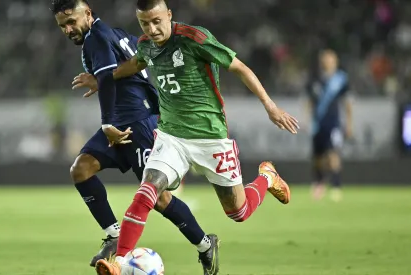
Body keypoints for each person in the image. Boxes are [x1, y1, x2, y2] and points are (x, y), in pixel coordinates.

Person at [89, 0, 299, 274]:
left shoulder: (194, 38)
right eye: (144, 23)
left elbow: (240, 68)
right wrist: (103, 79)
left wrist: (270, 106)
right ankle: (119, 261)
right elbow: (136, 64)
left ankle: (267, 177)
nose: (152, 29)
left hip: (211, 137)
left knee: (239, 212)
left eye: (156, 21)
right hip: (171, 137)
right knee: (147, 191)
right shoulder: (146, 45)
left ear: (169, 15)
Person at [50, 0, 218, 272]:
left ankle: (205, 245)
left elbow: (107, 79)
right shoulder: (117, 34)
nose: (69, 29)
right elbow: (134, 67)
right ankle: (115, 236)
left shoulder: (98, 38)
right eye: (62, 26)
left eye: (72, 22)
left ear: (88, 14)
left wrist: (106, 123)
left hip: (137, 124)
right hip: (124, 121)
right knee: (81, 169)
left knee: (159, 199)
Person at [306, 49, 353, 202]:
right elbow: (309, 101)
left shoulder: (341, 79)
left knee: (333, 154)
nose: (326, 62)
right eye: (324, 59)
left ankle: (336, 185)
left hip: (334, 123)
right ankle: (319, 183)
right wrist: (307, 120)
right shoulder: (315, 79)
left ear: (335, 61)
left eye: (330, 59)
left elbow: (347, 103)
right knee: (318, 157)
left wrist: (349, 123)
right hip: (318, 124)